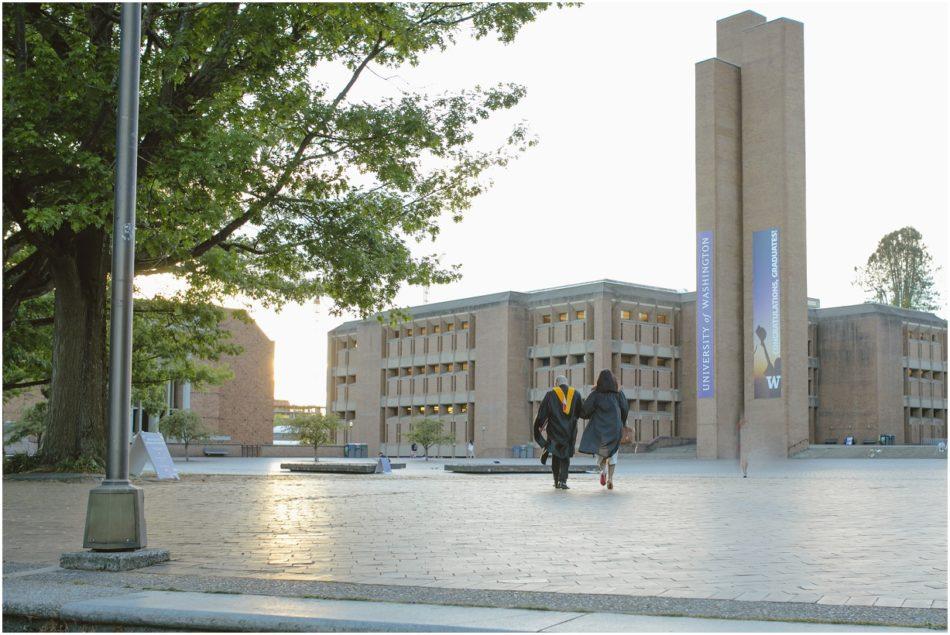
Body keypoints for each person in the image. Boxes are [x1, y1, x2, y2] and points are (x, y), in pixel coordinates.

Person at [579, 369, 629, 490]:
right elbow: (625, 409)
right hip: (614, 428)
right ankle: (610, 479)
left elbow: (585, 411)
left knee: (601, 453)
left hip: (599, 429)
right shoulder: (619, 394)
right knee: (613, 454)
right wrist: (622, 422)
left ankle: (603, 471)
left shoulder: (595, 394)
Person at [533, 374, 582, 489]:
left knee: (556, 456)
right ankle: (563, 481)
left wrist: (539, 425)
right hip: (569, 431)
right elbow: (581, 412)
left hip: (554, 432)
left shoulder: (550, 394)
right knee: (565, 457)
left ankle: (556, 481)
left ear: (556, 384)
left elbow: (542, 413)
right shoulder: (576, 394)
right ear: (567, 383)